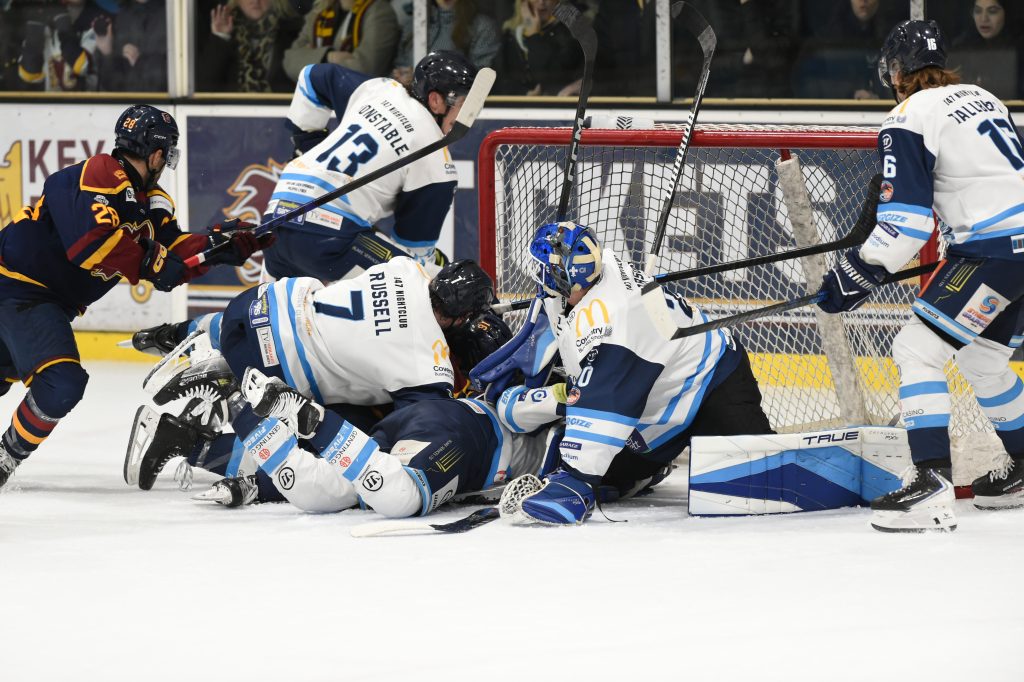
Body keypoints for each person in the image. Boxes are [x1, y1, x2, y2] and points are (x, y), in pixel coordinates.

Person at [816, 20, 1024, 533]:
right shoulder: (982, 97)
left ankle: (930, 482)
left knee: (916, 349)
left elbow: (907, 225)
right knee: (983, 358)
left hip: (994, 252)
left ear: (894, 72)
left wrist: (857, 272)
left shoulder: (908, 114)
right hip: (1014, 250)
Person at [0, 105, 269, 489]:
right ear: (157, 153)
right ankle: (6, 455)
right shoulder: (96, 174)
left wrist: (221, 244)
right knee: (61, 383)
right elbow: (89, 243)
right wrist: (155, 262)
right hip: (17, 288)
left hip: (42, 301)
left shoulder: (150, 199)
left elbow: (173, 251)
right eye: (167, 153)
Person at [471, 222, 773, 525]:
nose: (539, 277)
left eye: (544, 271)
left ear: (565, 277)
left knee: (759, 479)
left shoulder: (612, 320)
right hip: (656, 399)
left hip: (712, 378)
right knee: (614, 478)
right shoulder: (586, 277)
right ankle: (653, 466)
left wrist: (576, 481)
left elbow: (607, 400)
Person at [122, 258, 498, 492]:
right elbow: (422, 419)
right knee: (353, 441)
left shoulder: (407, 268)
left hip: (257, 304)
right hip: (271, 365)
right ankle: (213, 418)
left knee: (303, 324)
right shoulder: (425, 358)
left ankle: (179, 334)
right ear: (462, 318)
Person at [189, 313, 559, 518]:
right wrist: (565, 399)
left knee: (325, 493)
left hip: (414, 424)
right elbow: (516, 409)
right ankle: (313, 420)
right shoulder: (548, 404)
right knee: (401, 496)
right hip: (467, 433)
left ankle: (235, 401)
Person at [263, 50, 477, 281]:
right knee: (417, 284)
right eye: (465, 105)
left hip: (277, 215)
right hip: (329, 237)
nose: (470, 117)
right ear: (436, 101)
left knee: (271, 313)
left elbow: (311, 76)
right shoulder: (436, 160)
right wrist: (438, 263)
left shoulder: (381, 89)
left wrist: (306, 146)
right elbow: (414, 255)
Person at [197, 0, 302, 93]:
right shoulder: (224, 34)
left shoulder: (294, 34)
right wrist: (221, 37)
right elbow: (204, 87)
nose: (255, 1)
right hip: (232, 112)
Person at [282, 0, 399, 81]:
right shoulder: (318, 14)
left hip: (358, 106)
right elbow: (290, 61)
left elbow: (365, 69)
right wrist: (328, 56)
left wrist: (311, 59)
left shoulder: (379, 11)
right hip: (319, 105)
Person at [391, 0, 499, 87]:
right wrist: (400, 78)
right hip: (410, 107)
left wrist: (424, 79)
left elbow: (481, 81)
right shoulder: (414, 23)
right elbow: (399, 67)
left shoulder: (482, 27)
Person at [493, 0, 583, 97]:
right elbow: (498, 81)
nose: (541, 2)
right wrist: (525, 94)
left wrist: (534, 36)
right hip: (514, 108)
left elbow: (550, 78)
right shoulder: (510, 33)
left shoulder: (570, 34)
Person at [950, 0, 1021, 99]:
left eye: (992, 11)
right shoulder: (961, 47)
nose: (984, 19)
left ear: (1006, 13)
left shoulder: (1019, 50)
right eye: (978, 11)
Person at [94, 0, 168, 92]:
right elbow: (111, 86)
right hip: (124, 103)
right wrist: (107, 52)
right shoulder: (123, 15)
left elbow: (180, 79)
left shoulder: (175, 11)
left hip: (162, 103)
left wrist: (139, 62)